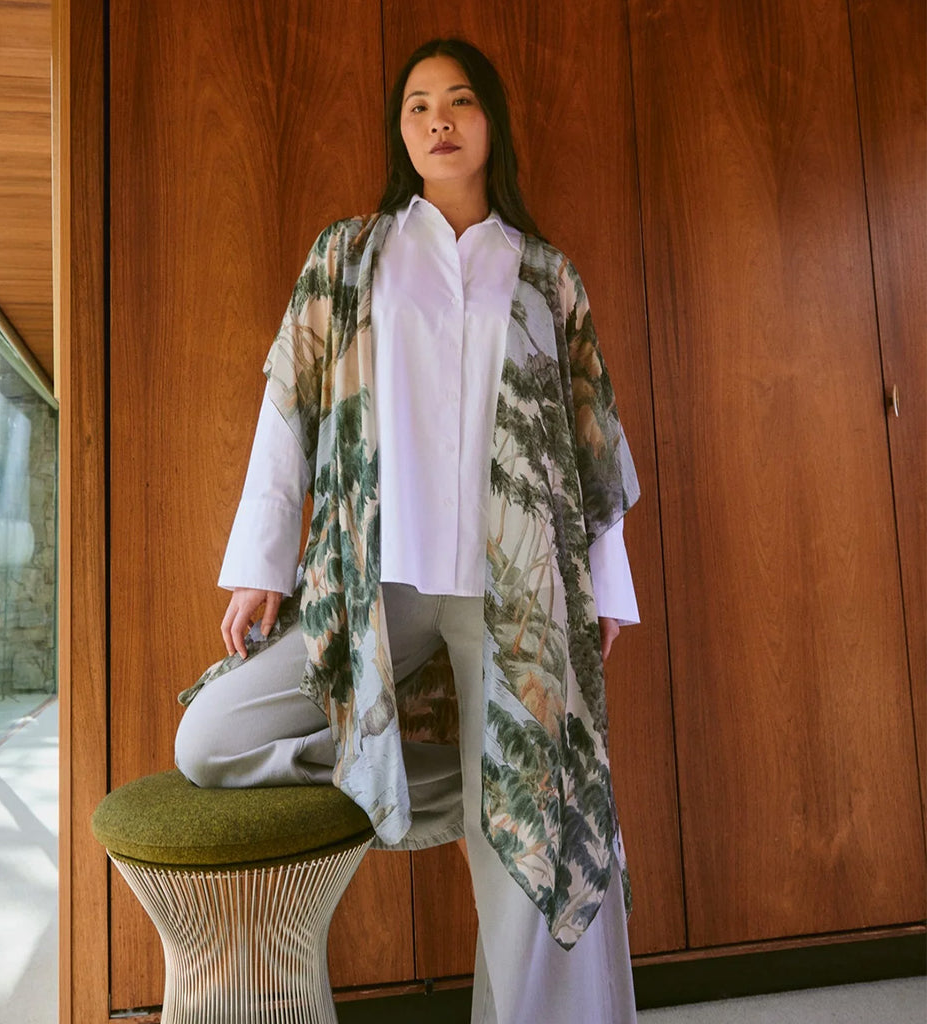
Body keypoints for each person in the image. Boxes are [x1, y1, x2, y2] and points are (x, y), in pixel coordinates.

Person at [175, 37, 641, 1024]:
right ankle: (476, 783)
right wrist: (257, 565)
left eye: (460, 101)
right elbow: (285, 406)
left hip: (515, 598)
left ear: (490, 126)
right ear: (401, 131)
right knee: (211, 737)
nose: (438, 118)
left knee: (535, 834)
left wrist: (607, 586)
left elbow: (593, 446)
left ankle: (510, 806)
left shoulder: (545, 277)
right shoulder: (351, 255)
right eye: (418, 104)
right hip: (377, 586)